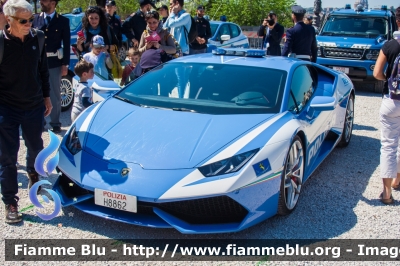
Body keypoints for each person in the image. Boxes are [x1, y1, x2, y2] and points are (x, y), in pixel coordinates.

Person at [0, 0, 52, 223]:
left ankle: (34, 177)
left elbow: (43, 70)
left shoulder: (38, 38)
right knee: (8, 158)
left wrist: (47, 97)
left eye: (31, 19)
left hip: (33, 106)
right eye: (23, 20)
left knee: (36, 147)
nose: (29, 24)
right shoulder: (1, 43)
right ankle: (10, 202)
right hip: (7, 108)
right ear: (9, 20)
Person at [373, 7, 400, 205]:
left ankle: (387, 193)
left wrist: (388, 80)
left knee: (388, 146)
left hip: (391, 99)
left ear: (397, 22)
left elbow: (376, 73)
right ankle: (398, 179)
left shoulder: (390, 45)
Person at [32, 0, 70, 134]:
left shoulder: (63, 21)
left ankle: (55, 122)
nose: (41, 2)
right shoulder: (35, 19)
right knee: (37, 92)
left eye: (45, 0)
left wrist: (65, 64)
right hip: (37, 62)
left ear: (53, 2)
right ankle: (40, 121)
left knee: (54, 93)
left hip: (54, 62)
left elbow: (66, 42)